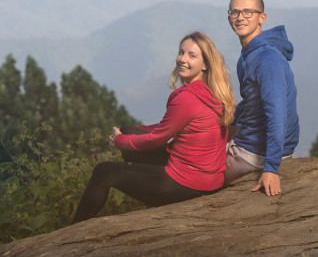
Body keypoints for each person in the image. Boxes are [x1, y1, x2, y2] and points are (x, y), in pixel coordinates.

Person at [71, 31, 235, 224]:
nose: (182, 59)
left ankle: (71, 231)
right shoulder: (211, 92)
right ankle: (152, 193)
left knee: (103, 172)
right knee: (129, 130)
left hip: (188, 180)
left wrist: (120, 141)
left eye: (192, 56)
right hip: (207, 177)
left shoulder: (187, 98)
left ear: (205, 64)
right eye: (181, 52)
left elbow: (158, 138)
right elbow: (168, 125)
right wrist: (130, 133)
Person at [224, 0, 300, 196]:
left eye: (248, 12)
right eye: (235, 12)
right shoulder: (249, 54)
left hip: (257, 152)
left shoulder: (266, 59)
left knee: (191, 166)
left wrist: (271, 168)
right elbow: (252, 101)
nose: (240, 17)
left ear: (262, 18)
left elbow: (277, 115)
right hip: (254, 140)